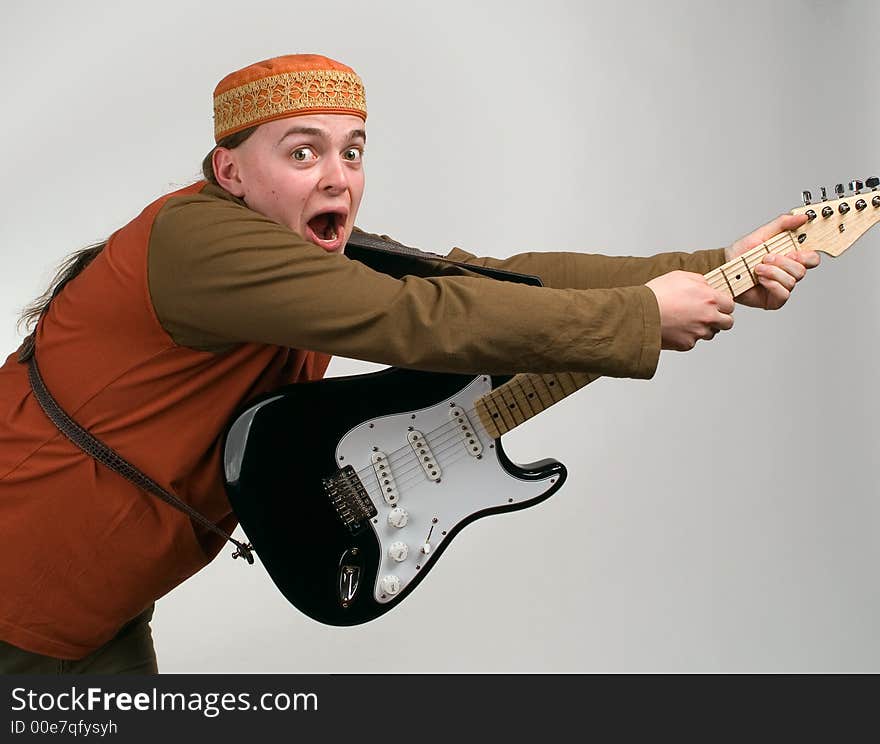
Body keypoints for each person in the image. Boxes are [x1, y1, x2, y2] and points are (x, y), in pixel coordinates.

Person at [0, 54, 819, 674]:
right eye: (303, 152)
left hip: (94, 613)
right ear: (230, 173)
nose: (338, 178)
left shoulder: (307, 257)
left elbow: (487, 282)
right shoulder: (198, 242)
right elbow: (412, 319)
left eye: (353, 152)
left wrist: (721, 267)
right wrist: (642, 317)